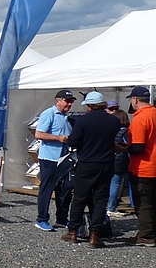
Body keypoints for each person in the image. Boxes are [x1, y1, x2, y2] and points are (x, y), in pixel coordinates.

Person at [61, 92, 120, 248]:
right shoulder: (114, 121)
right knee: (100, 199)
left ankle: (73, 231)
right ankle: (95, 234)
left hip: (87, 163)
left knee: (79, 198)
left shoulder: (83, 120)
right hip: (106, 163)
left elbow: (73, 141)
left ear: (89, 106)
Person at [34, 89, 76, 232]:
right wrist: (59, 138)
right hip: (49, 158)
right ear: (58, 101)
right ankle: (42, 219)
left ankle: (62, 218)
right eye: (67, 101)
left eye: (71, 101)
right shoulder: (49, 113)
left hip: (64, 158)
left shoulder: (66, 117)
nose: (69, 104)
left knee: (65, 189)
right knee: (47, 188)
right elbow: (39, 134)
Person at [124, 86, 156, 247]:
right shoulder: (154, 113)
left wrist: (124, 148)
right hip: (153, 165)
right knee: (152, 202)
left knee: (143, 204)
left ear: (135, 99)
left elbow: (138, 147)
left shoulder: (140, 118)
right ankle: (149, 233)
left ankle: (146, 236)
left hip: (143, 168)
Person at [107, 109, 132, 217]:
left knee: (112, 183)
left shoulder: (111, 130)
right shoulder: (125, 131)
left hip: (112, 158)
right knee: (116, 184)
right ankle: (111, 207)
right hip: (121, 160)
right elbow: (129, 147)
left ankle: (110, 206)